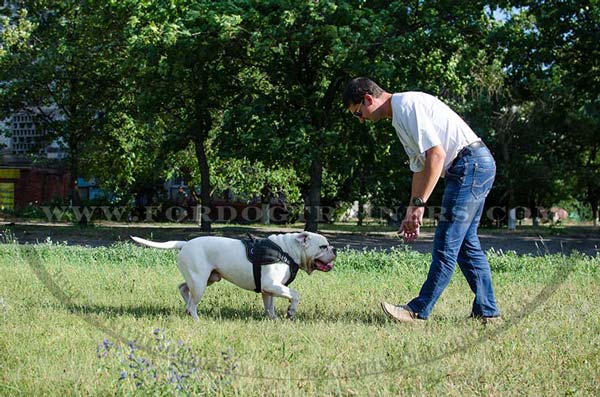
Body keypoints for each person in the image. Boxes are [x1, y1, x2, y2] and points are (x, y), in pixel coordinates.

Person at [343, 77, 500, 323]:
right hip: (472, 166)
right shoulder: (399, 116)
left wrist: (420, 205)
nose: (361, 120)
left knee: (447, 241)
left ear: (368, 99)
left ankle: (417, 310)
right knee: (466, 245)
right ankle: (488, 312)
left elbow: (437, 155)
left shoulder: (407, 105)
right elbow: (419, 167)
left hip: (470, 165)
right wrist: (411, 210)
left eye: (358, 113)